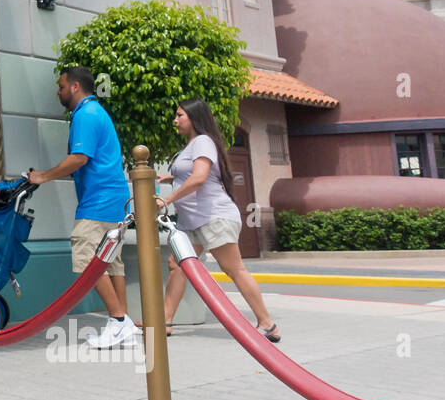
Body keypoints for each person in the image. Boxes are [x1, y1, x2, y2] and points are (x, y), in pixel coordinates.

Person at [28, 66, 136, 348]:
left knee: (88, 256)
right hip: (114, 199)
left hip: (98, 201)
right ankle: (123, 324)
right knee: (111, 261)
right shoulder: (97, 111)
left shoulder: (86, 114)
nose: (58, 91)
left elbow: (79, 158)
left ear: (75, 87)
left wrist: (43, 176)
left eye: (61, 86)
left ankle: (118, 320)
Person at [156, 99, 280, 341]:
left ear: (194, 117)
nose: (175, 120)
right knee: (177, 265)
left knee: (233, 269)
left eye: (180, 115)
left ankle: (268, 324)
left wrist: (167, 200)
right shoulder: (192, 144)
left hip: (213, 217)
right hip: (193, 221)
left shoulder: (202, 141)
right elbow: (194, 175)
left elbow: (200, 177)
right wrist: (170, 178)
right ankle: (165, 320)